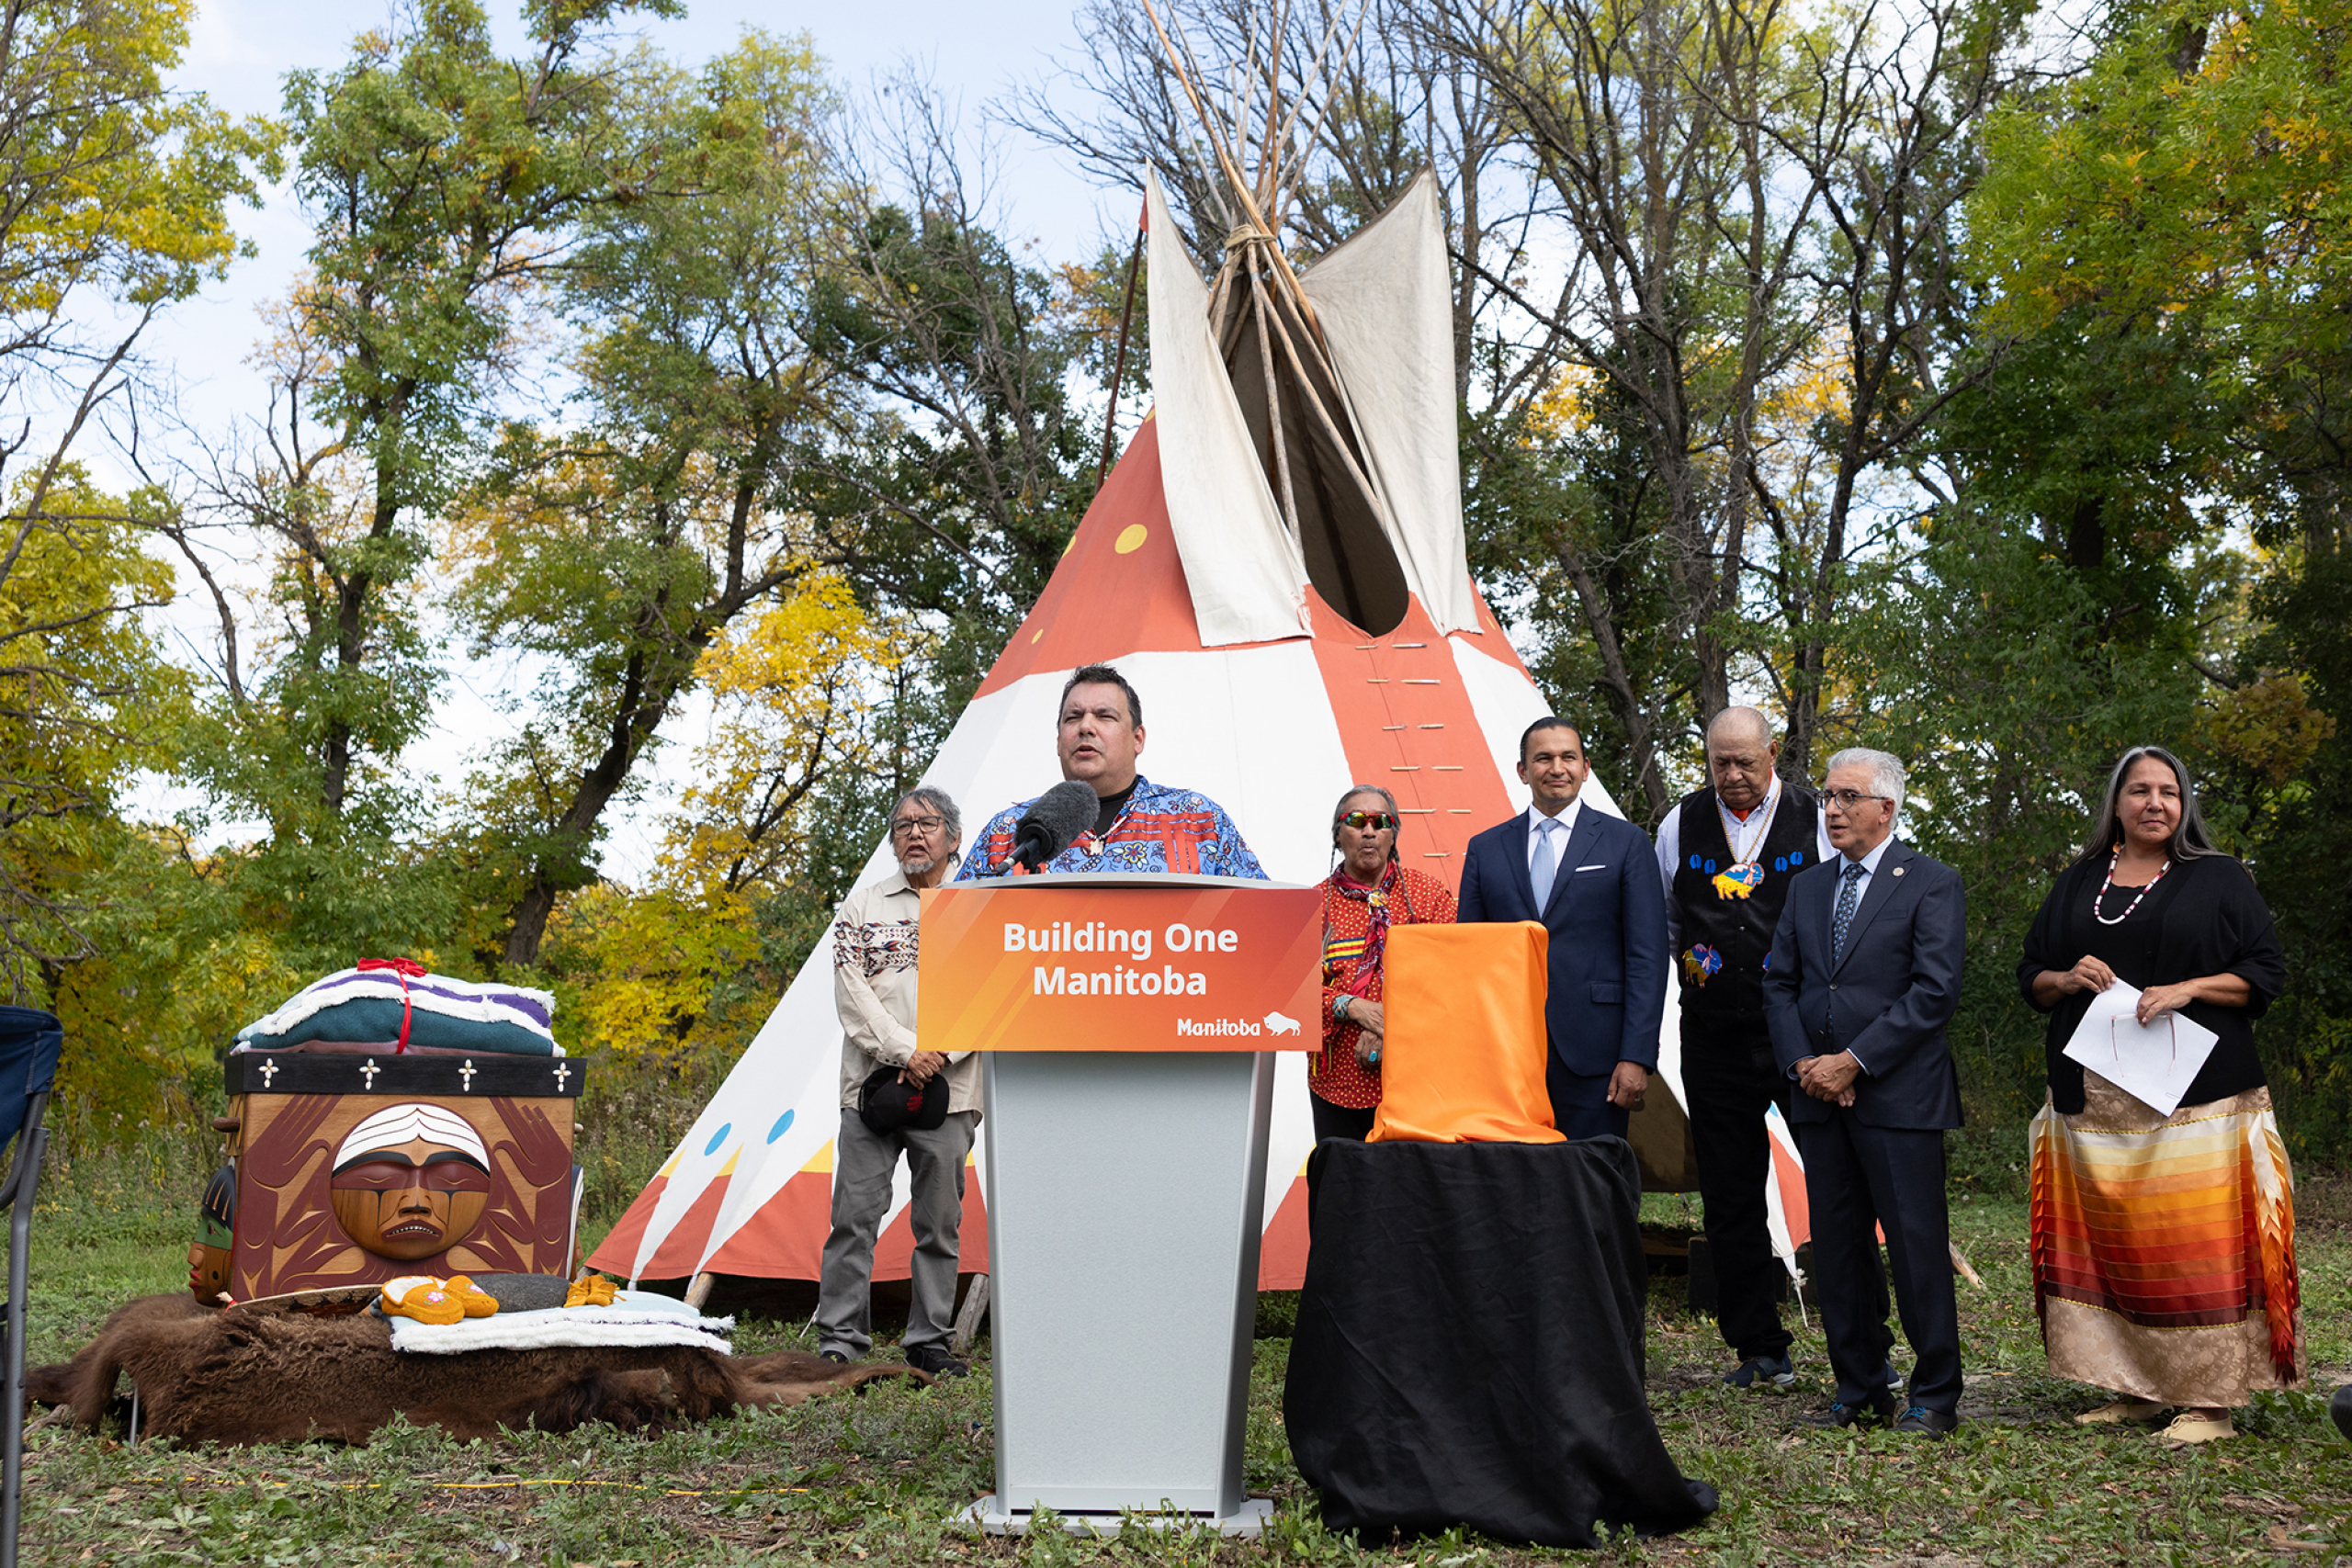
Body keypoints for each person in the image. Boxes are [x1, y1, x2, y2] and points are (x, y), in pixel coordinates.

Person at [2017, 745, 2298, 1447]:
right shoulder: (2081, 879)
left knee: (2196, 1250)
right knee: (2118, 1247)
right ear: (2115, 802)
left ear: (2185, 803)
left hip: (2197, 1099)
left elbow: (2264, 973)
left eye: (2168, 791)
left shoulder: (2220, 878)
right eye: (2139, 789)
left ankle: (2210, 1402)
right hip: (2094, 1103)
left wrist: (2189, 988)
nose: (2154, 802)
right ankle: (2136, 1389)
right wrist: (2066, 975)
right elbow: (2031, 976)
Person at [1763, 747, 1965, 1437]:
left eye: (1848, 796)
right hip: (1818, 1098)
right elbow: (1780, 984)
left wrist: (1854, 1060)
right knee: (1840, 1251)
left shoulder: (1931, 883)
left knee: (1914, 1248)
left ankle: (1934, 1393)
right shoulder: (1808, 887)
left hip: (1899, 1100)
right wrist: (1807, 1066)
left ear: (1888, 806)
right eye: (1827, 796)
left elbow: (1933, 992)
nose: (1833, 809)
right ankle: (1860, 1387)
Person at [1656, 706, 1831, 1391]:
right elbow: (1670, 920)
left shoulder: (1817, 816)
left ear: (1774, 753)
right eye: (1719, 762)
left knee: (1835, 1181)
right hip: (1711, 1034)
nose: (1732, 775)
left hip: (1801, 1033)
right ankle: (1759, 1346)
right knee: (1729, 1193)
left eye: (1745, 762)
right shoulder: (1679, 823)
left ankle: (1860, 1339)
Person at [818, 785, 978, 1379]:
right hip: (870, 1087)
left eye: (928, 822)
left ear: (953, 836)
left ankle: (929, 1340)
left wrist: (940, 1053)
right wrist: (907, 1050)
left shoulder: (979, 905)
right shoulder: (861, 907)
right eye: (903, 824)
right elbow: (850, 989)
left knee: (938, 1222)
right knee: (853, 1216)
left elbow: (992, 992)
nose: (915, 832)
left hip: (952, 1091)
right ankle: (840, 1338)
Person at [1458, 718, 1668, 1141]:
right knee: (1513, 1181)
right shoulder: (1485, 848)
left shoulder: (1625, 843)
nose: (1557, 768)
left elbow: (1647, 956)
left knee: (1593, 1183)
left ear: (1586, 767)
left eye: (1568, 757)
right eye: (1543, 758)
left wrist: (1637, 1056)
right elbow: (1469, 958)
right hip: (1506, 1053)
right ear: (1522, 771)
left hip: (1598, 1055)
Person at [957, 663, 1266, 880]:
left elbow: (1266, 927)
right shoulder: (1005, 834)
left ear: (1137, 738)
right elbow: (953, 941)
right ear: (1058, 741)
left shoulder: (1198, 821)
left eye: (1104, 716)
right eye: (1073, 718)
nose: (1086, 727)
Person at [1312, 785, 1458, 1142]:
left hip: (1419, 1079)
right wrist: (1352, 1007)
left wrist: (1386, 1024)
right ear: (1337, 835)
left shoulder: (1430, 895)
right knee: (1345, 1189)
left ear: (1393, 835)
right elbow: (1292, 990)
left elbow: (1455, 976)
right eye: (1356, 821)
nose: (1369, 831)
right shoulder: (1312, 905)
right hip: (1338, 1084)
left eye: (1381, 822)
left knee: (1413, 1190)